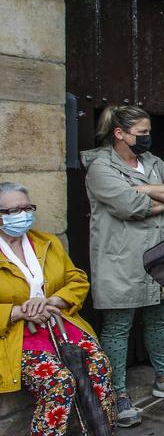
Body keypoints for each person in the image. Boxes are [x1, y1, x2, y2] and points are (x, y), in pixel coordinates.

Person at [81, 106, 164, 427]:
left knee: (158, 319)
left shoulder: (152, 162)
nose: (147, 138)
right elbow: (129, 206)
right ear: (120, 134)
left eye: (148, 131)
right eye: (140, 133)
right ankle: (118, 392)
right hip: (119, 259)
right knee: (118, 327)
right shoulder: (100, 167)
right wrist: (156, 199)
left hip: (158, 255)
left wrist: (147, 191)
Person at [0, 182, 117, 435]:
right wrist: (19, 311)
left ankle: (101, 430)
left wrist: (52, 301)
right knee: (58, 382)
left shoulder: (47, 242)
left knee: (99, 365)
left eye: (27, 207)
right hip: (14, 334)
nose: (23, 215)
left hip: (58, 324)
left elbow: (77, 280)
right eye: (13, 211)